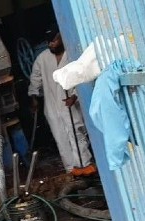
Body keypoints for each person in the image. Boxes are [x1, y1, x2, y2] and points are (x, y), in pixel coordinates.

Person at [28, 25, 97, 176]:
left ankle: (85, 165)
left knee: (77, 134)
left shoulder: (72, 54)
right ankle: (71, 169)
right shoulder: (42, 58)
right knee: (61, 138)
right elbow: (35, 79)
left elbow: (83, 76)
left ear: (60, 38)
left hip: (72, 104)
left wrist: (75, 96)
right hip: (53, 107)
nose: (51, 44)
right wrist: (34, 97)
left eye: (53, 41)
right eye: (48, 42)